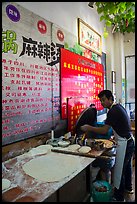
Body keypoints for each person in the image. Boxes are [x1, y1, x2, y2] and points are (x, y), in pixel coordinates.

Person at [80, 90, 135, 201]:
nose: (102, 103)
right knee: (127, 167)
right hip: (129, 141)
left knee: (120, 172)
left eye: (104, 100)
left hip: (125, 144)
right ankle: (128, 189)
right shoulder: (118, 107)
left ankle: (118, 197)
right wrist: (115, 138)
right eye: (101, 100)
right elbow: (121, 126)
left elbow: (105, 130)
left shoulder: (113, 111)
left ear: (110, 99)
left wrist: (88, 127)